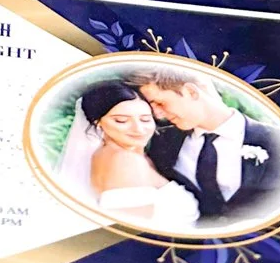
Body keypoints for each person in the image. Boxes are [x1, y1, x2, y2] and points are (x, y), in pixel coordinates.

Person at [135, 66, 280, 224]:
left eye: (160, 103)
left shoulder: (279, 141)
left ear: (191, 92)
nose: (158, 115)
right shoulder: (164, 142)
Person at [60, 79, 201, 233]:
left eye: (145, 119)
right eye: (121, 120)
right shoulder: (125, 161)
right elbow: (133, 233)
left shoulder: (112, 154)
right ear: (98, 122)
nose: (139, 129)